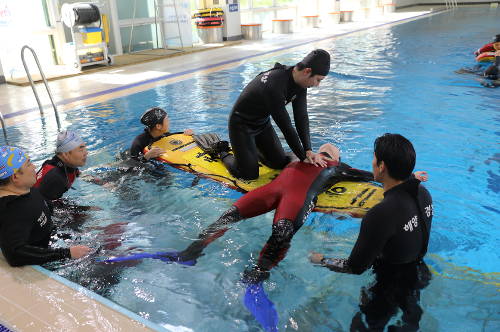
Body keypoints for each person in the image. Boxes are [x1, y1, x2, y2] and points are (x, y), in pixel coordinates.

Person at [175, 142, 427, 284]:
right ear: (335, 155)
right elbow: (366, 175)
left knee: (229, 218)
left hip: (272, 191)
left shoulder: (296, 157)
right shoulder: (333, 164)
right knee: (279, 232)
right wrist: (410, 178)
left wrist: (224, 152)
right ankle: (257, 273)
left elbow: (265, 154)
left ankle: (192, 252)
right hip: (292, 198)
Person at [309, 133, 433, 332]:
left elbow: (355, 267)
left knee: (362, 326)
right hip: (420, 273)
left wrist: (322, 260)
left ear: (382, 165)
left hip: (387, 287)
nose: (372, 162)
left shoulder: (381, 213)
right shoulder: (424, 194)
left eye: (374, 158)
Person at [213, 49, 332, 180]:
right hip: (241, 125)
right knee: (248, 175)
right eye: (318, 80)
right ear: (307, 71)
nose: (317, 85)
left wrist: (308, 150)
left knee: (278, 163)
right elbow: (286, 127)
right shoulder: (275, 86)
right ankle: (222, 151)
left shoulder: (300, 83)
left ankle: (251, 151)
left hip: (262, 124)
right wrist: (303, 157)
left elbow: (301, 116)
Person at [0, 146, 91, 267]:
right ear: (15, 177)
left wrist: (85, 210)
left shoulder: (26, 189)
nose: (34, 167)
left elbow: (51, 208)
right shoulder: (14, 211)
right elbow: (14, 254)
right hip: (45, 258)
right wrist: (66, 253)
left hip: (52, 237)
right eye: (28, 165)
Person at [34, 130, 111, 202]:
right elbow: (55, 210)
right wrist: (88, 209)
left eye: (85, 148)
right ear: (66, 155)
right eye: (81, 150)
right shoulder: (55, 178)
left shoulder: (65, 165)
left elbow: (78, 174)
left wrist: (102, 183)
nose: (86, 153)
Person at [130, 107, 194, 162]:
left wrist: (188, 136)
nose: (169, 122)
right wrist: (147, 156)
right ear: (158, 126)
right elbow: (135, 166)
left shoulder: (165, 135)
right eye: (167, 120)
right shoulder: (138, 143)